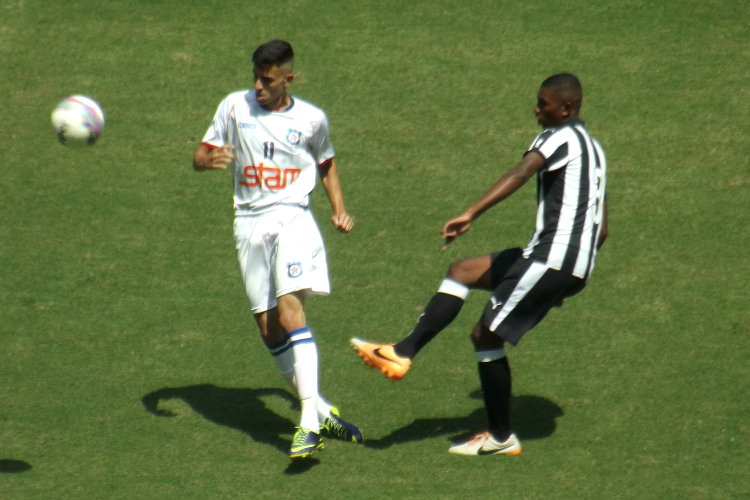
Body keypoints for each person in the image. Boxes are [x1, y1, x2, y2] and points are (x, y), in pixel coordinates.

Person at [351, 73, 608, 456]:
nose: (536, 108)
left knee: (485, 336)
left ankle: (501, 437)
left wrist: (471, 212)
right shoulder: (595, 151)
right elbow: (600, 227)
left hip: (552, 258)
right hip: (566, 262)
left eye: (544, 103)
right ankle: (401, 352)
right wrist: (567, 280)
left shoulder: (558, 136)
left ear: (566, 108)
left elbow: (522, 172)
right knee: (462, 271)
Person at [193, 39, 362, 459]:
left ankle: (307, 424)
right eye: (255, 77)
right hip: (248, 223)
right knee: (269, 328)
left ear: (288, 78)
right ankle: (320, 409)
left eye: (267, 80)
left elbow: (326, 163)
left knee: (290, 313)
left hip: (292, 217)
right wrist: (204, 161)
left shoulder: (310, 119)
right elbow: (202, 152)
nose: (258, 86)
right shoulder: (234, 106)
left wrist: (339, 209)